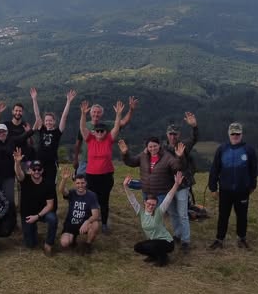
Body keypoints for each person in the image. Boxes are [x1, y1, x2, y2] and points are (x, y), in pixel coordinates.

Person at [209, 122, 258, 250]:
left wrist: (252, 185)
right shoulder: (222, 149)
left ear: (241, 134)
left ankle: (242, 238)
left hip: (242, 190)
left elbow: (253, 170)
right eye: (233, 134)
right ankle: (219, 239)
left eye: (237, 133)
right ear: (229, 134)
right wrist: (213, 187)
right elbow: (215, 169)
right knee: (223, 215)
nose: (235, 136)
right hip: (225, 190)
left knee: (242, 216)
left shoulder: (249, 150)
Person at [78, 99, 126, 233]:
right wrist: (83, 114)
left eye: (102, 131)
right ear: (94, 132)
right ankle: (89, 222)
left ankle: (104, 223)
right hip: (91, 176)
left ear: (105, 132)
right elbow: (82, 128)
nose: (99, 133)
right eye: (97, 131)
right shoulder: (90, 139)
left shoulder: (109, 140)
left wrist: (118, 114)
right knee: (90, 199)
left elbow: (116, 127)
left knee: (104, 201)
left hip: (106, 176)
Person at [123, 172, 184, 266]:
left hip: (167, 243)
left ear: (156, 205)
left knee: (154, 245)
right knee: (138, 247)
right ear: (145, 202)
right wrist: (125, 186)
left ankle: (163, 260)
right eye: (149, 204)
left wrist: (176, 184)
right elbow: (132, 199)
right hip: (154, 242)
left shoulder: (159, 212)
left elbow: (168, 198)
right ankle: (154, 256)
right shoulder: (141, 212)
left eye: (153, 204)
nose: (151, 206)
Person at [73, 96, 136, 176]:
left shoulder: (106, 125)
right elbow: (78, 143)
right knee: (80, 181)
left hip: (101, 162)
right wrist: (75, 159)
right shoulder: (85, 126)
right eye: (94, 112)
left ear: (101, 114)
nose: (96, 114)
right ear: (90, 113)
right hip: (85, 160)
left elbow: (123, 122)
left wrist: (131, 110)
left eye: (98, 112)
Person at [163, 113, 199, 251]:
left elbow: (194, 138)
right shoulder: (162, 149)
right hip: (168, 186)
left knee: (182, 214)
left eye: (175, 134)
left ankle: (185, 240)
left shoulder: (184, 146)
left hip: (182, 185)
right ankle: (177, 234)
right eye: (170, 134)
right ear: (167, 134)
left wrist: (194, 126)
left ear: (179, 135)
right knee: (173, 213)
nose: (173, 136)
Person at [29, 87, 76, 188]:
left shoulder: (57, 132)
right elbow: (37, 115)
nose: (48, 122)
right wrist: (34, 99)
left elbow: (64, 117)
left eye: (50, 120)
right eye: (46, 120)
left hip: (51, 163)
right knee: (38, 184)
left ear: (54, 121)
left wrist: (68, 102)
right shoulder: (42, 129)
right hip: (39, 162)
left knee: (50, 186)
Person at [14, 148, 57, 255]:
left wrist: (37, 216)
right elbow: (18, 173)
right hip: (27, 214)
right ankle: (32, 230)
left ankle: (49, 243)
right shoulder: (25, 179)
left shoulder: (48, 184)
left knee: (53, 219)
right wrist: (17, 162)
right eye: (34, 169)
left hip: (42, 213)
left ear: (42, 170)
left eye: (39, 169)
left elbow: (50, 205)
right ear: (30, 170)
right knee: (30, 244)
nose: (36, 171)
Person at [119, 136, 181, 211]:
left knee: (158, 215)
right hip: (147, 193)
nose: (153, 148)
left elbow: (177, 167)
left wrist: (179, 157)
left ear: (159, 145)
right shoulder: (143, 156)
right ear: (147, 147)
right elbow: (131, 162)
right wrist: (125, 154)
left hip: (161, 193)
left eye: (155, 146)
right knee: (148, 214)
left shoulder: (167, 157)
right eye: (150, 147)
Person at [57, 167, 100, 254]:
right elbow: (61, 190)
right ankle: (73, 238)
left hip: (84, 224)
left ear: (86, 183)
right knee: (64, 243)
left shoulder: (92, 195)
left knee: (95, 224)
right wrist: (64, 179)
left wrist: (87, 222)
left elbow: (96, 215)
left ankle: (88, 245)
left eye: (82, 183)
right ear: (75, 184)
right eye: (78, 183)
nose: (80, 185)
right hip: (70, 225)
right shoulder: (72, 193)